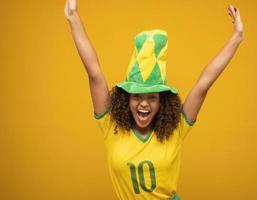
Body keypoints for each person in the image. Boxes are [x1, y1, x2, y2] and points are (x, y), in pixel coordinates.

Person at [64, 0, 244, 199]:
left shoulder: (176, 127)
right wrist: (73, 15)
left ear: (162, 103)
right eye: (137, 97)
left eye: (152, 97)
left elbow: (204, 83)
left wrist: (237, 37)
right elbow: (94, 73)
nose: (144, 103)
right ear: (127, 100)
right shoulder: (111, 126)